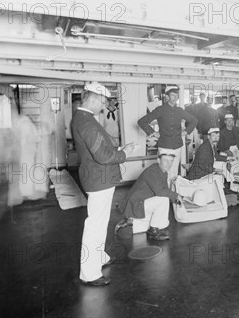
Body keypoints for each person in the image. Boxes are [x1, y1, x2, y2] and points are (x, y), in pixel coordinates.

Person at [71, 82, 135, 286]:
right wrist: (125, 153)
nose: (104, 105)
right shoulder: (87, 122)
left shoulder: (84, 119)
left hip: (99, 177)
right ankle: (89, 273)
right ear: (94, 98)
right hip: (99, 178)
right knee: (95, 225)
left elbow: (101, 148)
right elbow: (103, 156)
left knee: (100, 222)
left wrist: (118, 149)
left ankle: (99, 257)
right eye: (104, 101)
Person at [115, 151, 183, 241]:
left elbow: (165, 190)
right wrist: (176, 195)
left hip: (142, 202)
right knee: (163, 200)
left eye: (171, 160)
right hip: (136, 204)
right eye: (165, 160)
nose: (169, 163)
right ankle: (153, 232)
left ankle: (130, 222)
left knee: (160, 222)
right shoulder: (151, 171)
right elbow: (160, 191)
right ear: (158, 160)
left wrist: (179, 199)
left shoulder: (163, 172)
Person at [137, 85, 198, 182]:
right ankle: (164, 194)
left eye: (176, 96)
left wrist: (186, 131)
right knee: (163, 172)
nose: (175, 98)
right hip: (164, 145)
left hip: (177, 146)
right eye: (172, 95)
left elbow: (194, 120)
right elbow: (142, 121)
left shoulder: (179, 111)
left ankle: (171, 194)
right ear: (167, 97)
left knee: (174, 172)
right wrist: (153, 132)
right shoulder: (160, 109)